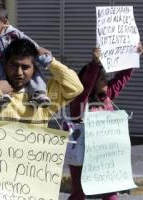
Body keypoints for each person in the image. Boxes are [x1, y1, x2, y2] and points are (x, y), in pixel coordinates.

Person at [67, 45, 143, 200]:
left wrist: (134, 56)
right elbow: (86, 87)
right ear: (93, 82)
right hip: (81, 157)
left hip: (105, 157)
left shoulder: (107, 97)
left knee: (110, 193)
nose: (106, 80)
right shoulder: (80, 103)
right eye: (102, 78)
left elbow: (122, 78)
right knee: (79, 194)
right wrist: (94, 64)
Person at [0, 38, 83, 128]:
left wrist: (51, 62)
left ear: (34, 68)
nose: (19, 72)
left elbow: (76, 87)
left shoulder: (45, 93)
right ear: (5, 64)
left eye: (25, 67)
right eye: (13, 66)